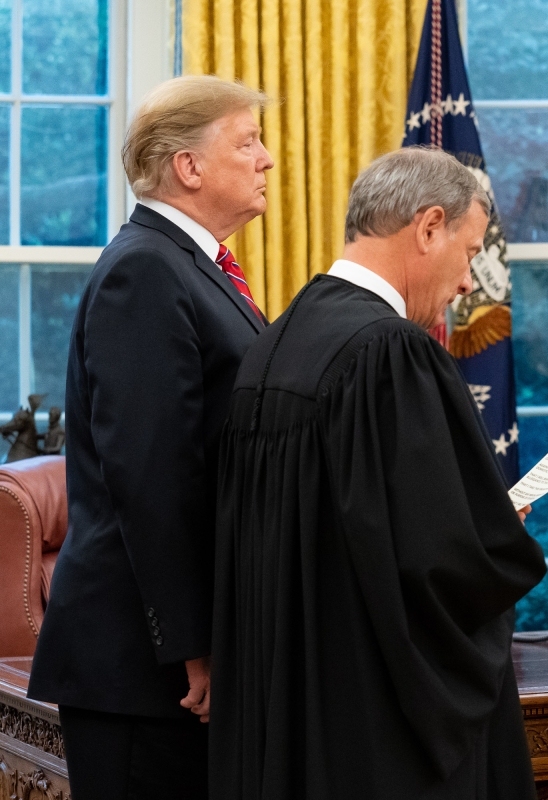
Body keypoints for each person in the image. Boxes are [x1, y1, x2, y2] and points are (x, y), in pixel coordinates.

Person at [208, 147, 547, 800]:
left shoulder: (274, 343)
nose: (468, 282)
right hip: (372, 726)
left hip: (287, 716)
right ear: (427, 228)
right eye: (470, 251)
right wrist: (493, 533)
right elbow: (438, 562)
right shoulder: (390, 352)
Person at [28, 76, 273, 800]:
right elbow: (154, 477)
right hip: (142, 665)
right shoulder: (145, 268)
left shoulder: (195, 269)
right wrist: (193, 645)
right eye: (248, 142)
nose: (266, 159)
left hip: (166, 658)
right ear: (188, 167)